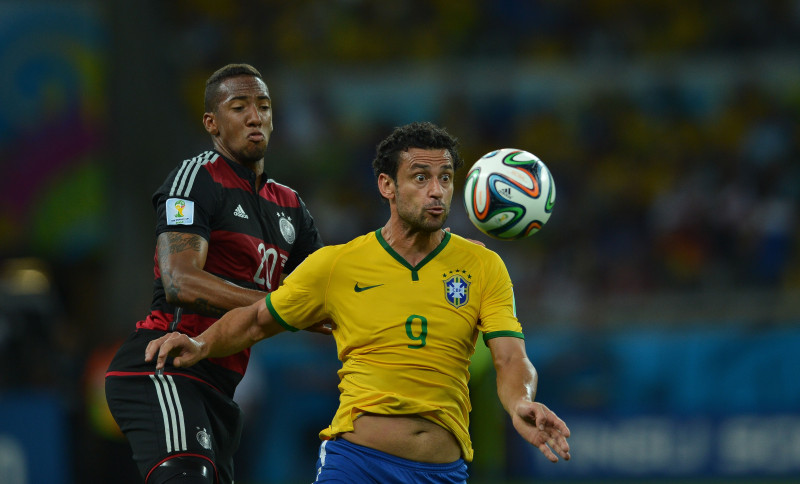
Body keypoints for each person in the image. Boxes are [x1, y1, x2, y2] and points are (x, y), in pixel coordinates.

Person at [145, 121, 571, 483]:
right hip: (357, 465)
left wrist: (520, 401)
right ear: (387, 185)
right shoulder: (337, 265)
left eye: (445, 178)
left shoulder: (483, 266)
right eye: (420, 177)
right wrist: (201, 345)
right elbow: (258, 319)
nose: (437, 191)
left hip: (442, 472)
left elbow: (511, 358)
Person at [105, 63, 328, 484]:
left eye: (263, 105)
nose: (254, 116)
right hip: (163, 365)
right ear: (212, 122)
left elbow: (327, 295)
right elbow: (180, 280)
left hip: (220, 387)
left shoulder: (291, 207)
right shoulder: (197, 179)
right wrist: (277, 306)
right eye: (238, 106)